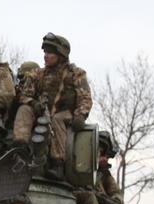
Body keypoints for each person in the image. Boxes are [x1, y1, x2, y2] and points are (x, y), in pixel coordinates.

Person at [12, 33, 93, 180]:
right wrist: (33, 103)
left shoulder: (75, 74)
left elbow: (85, 97)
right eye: (45, 52)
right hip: (41, 113)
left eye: (50, 53)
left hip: (65, 114)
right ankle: (20, 147)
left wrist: (81, 115)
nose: (45, 56)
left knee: (57, 119)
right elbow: (25, 95)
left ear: (61, 55)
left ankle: (58, 163)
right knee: (24, 109)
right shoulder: (38, 74)